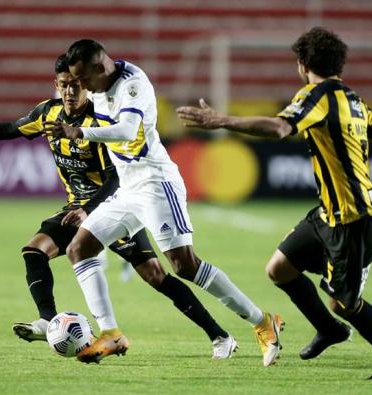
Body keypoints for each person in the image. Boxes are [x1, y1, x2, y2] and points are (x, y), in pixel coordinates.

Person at [0, 55, 237, 360]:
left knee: (155, 275)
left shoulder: (101, 121)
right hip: (76, 209)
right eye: (64, 85)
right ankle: (48, 320)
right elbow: (11, 128)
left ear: (88, 86)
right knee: (34, 251)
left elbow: (116, 177)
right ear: (56, 85)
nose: (70, 92)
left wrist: (90, 209)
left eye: (76, 85)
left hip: (113, 205)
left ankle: (220, 336)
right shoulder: (47, 114)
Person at [176, 27, 372, 380]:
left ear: (302, 64)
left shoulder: (316, 96)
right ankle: (330, 330)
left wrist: (221, 121)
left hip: (353, 220)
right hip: (328, 215)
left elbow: (278, 128)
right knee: (280, 268)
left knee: (343, 303)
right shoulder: (354, 100)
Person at [43, 40, 284, 365]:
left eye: (83, 79)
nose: (81, 87)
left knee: (185, 266)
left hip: (156, 184)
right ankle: (111, 333)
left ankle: (262, 322)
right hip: (127, 188)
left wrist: (79, 133)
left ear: (100, 68)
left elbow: (128, 131)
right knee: (79, 248)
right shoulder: (98, 84)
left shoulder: (133, 84)